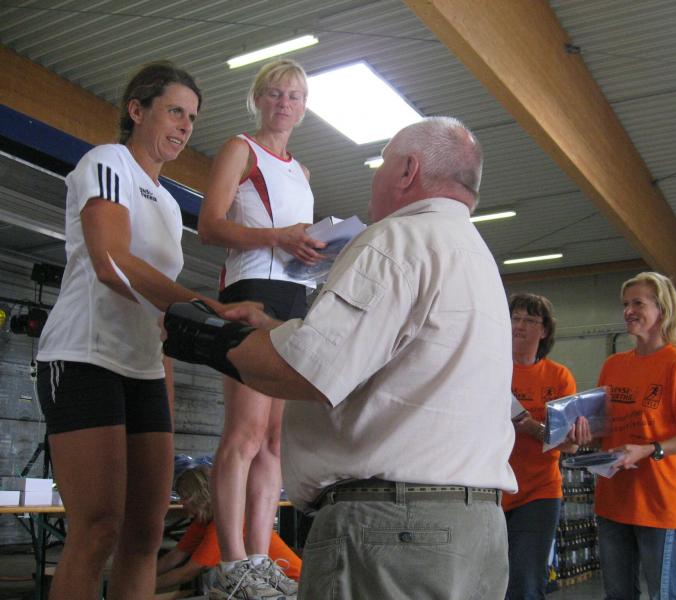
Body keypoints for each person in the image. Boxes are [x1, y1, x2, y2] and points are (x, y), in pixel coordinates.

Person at [163, 116, 518, 599]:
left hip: (393, 532)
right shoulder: (476, 259)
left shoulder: (397, 240)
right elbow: (388, 354)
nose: (374, 177)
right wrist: (274, 329)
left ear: (408, 170)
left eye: (382, 163)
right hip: (477, 534)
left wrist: (201, 335)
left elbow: (304, 373)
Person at [34, 62, 245, 600]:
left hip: (145, 367)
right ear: (136, 109)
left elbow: (158, 316)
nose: (185, 126)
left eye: (192, 118)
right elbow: (111, 261)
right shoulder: (108, 162)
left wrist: (164, 384)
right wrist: (200, 306)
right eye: (174, 111)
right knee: (98, 528)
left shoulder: (171, 205)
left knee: (146, 534)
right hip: (85, 357)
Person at [196, 58, 324, 598]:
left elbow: (295, 239)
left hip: (294, 297)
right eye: (274, 92)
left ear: (304, 106)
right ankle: (231, 563)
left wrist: (312, 250)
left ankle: (258, 557)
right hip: (250, 290)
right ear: (257, 99)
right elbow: (209, 226)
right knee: (245, 434)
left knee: (274, 441)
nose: (283, 103)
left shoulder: (302, 172)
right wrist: (278, 236)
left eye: (294, 95)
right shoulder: (240, 149)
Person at [594, 272, 676, 600]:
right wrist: (580, 433)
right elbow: (601, 428)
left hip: (660, 506)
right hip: (613, 503)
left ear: (662, 309)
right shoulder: (613, 366)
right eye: (625, 304)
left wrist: (650, 449)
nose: (628, 311)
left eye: (638, 303)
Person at [503, 293, 589, 600]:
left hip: (538, 492)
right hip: (491, 489)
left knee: (526, 582)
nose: (519, 326)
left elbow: (570, 446)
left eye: (529, 320)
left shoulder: (558, 376)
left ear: (544, 330)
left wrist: (531, 427)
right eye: (515, 318)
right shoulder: (491, 368)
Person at [156, 465, 301, 594]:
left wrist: (146, 586)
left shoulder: (226, 523)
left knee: (215, 574)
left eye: (184, 497)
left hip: (291, 585)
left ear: (199, 497)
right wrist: (145, 575)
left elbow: (187, 573)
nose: (181, 503)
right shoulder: (203, 521)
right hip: (262, 583)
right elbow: (173, 557)